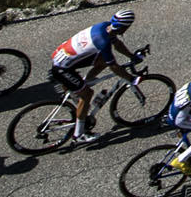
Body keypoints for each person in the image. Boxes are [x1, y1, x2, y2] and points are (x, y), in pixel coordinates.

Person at [49, 9, 139, 143]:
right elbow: (114, 67)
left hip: (61, 56)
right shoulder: (103, 41)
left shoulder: (105, 27)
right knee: (87, 94)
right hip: (62, 68)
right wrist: (131, 78)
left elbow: (118, 44)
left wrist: (132, 56)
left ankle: (84, 83)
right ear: (124, 27)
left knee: (101, 60)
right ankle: (79, 135)